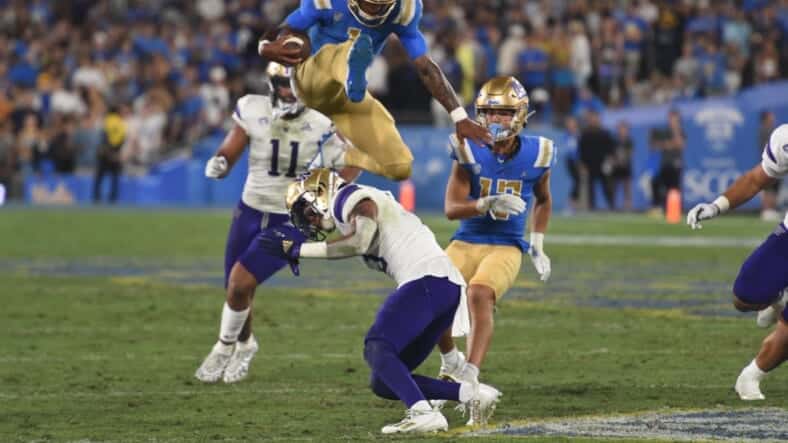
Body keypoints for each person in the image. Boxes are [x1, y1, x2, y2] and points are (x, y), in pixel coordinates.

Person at [259, 168, 502, 433]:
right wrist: (450, 354)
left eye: (307, 212)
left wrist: (297, 250)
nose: (311, 222)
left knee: (377, 346)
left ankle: (422, 413)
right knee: (384, 381)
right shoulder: (350, 208)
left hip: (429, 280)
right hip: (443, 287)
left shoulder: (347, 198)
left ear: (319, 194)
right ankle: (471, 394)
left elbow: (360, 243)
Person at [194, 62, 360, 384]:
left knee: (241, 282)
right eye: (284, 84)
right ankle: (245, 345)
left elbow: (352, 164)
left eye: (295, 84)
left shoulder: (321, 122)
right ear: (272, 84)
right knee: (236, 288)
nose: (289, 91)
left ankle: (224, 347)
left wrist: (326, 196)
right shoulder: (251, 107)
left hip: (292, 219)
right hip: (250, 209)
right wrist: (220, 162)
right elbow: (231, 148)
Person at [259, 0, 491, 181]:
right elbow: (287, 28)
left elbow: (425, 66)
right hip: (312, 82)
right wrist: (266, 47)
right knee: (340, 52)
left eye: (381, 4)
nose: (373, 9)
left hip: (351, 94)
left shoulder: (405, 9)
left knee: (400, 166)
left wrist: (459, 116)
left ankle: (344, 155)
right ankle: (351, 61)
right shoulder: (326, 2)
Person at [435, 76, 554, 407]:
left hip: (506, 244)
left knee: (479, 293)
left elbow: (543, 199)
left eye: (503, 112)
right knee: (431, 294)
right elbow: (450, 209)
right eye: (488, 112)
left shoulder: (539, 152)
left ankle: (470, 374)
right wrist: (485, 204)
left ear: (519, 114)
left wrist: (538, 242)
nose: (495, 120)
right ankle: (450, 362)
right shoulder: (466, 146)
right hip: (467, 238)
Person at [687, 123, 788, 401]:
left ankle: (751, 375)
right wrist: (717, 206)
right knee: (744, 297)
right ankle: (778, 298)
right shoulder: (785, 137)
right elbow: (756, 179)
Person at [578, 110, 615, 210]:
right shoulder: (585, 134)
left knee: (607, 185)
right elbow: (581, 150)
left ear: (599, 119)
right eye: (592, 118)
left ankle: (611, 205)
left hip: (603, 164)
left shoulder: (605, 133)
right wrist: (582, 164)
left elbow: (611, 148)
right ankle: (592, 206)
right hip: (590, 164)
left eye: (596, 118)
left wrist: (610, 160)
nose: (594, 120)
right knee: (591, 186)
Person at [93, 108, 126, 204]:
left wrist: (106, 150)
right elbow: (122, 138)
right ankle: (113, 198)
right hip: (115, 153)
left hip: (105, 153)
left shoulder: (106, 121)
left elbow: (103, 136)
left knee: (99, 177)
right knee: (114, 177)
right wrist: (116, 151)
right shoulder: (121, 123)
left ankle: (96, 197)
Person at [759, 111, 781, 221]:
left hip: (777, 163)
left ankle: (771, 210)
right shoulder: (765, 131)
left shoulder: (771, 130)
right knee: (768, 187)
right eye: (770, 116)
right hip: (770, 163)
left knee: (775, 187)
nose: (773, 118)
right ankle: (766, 210)